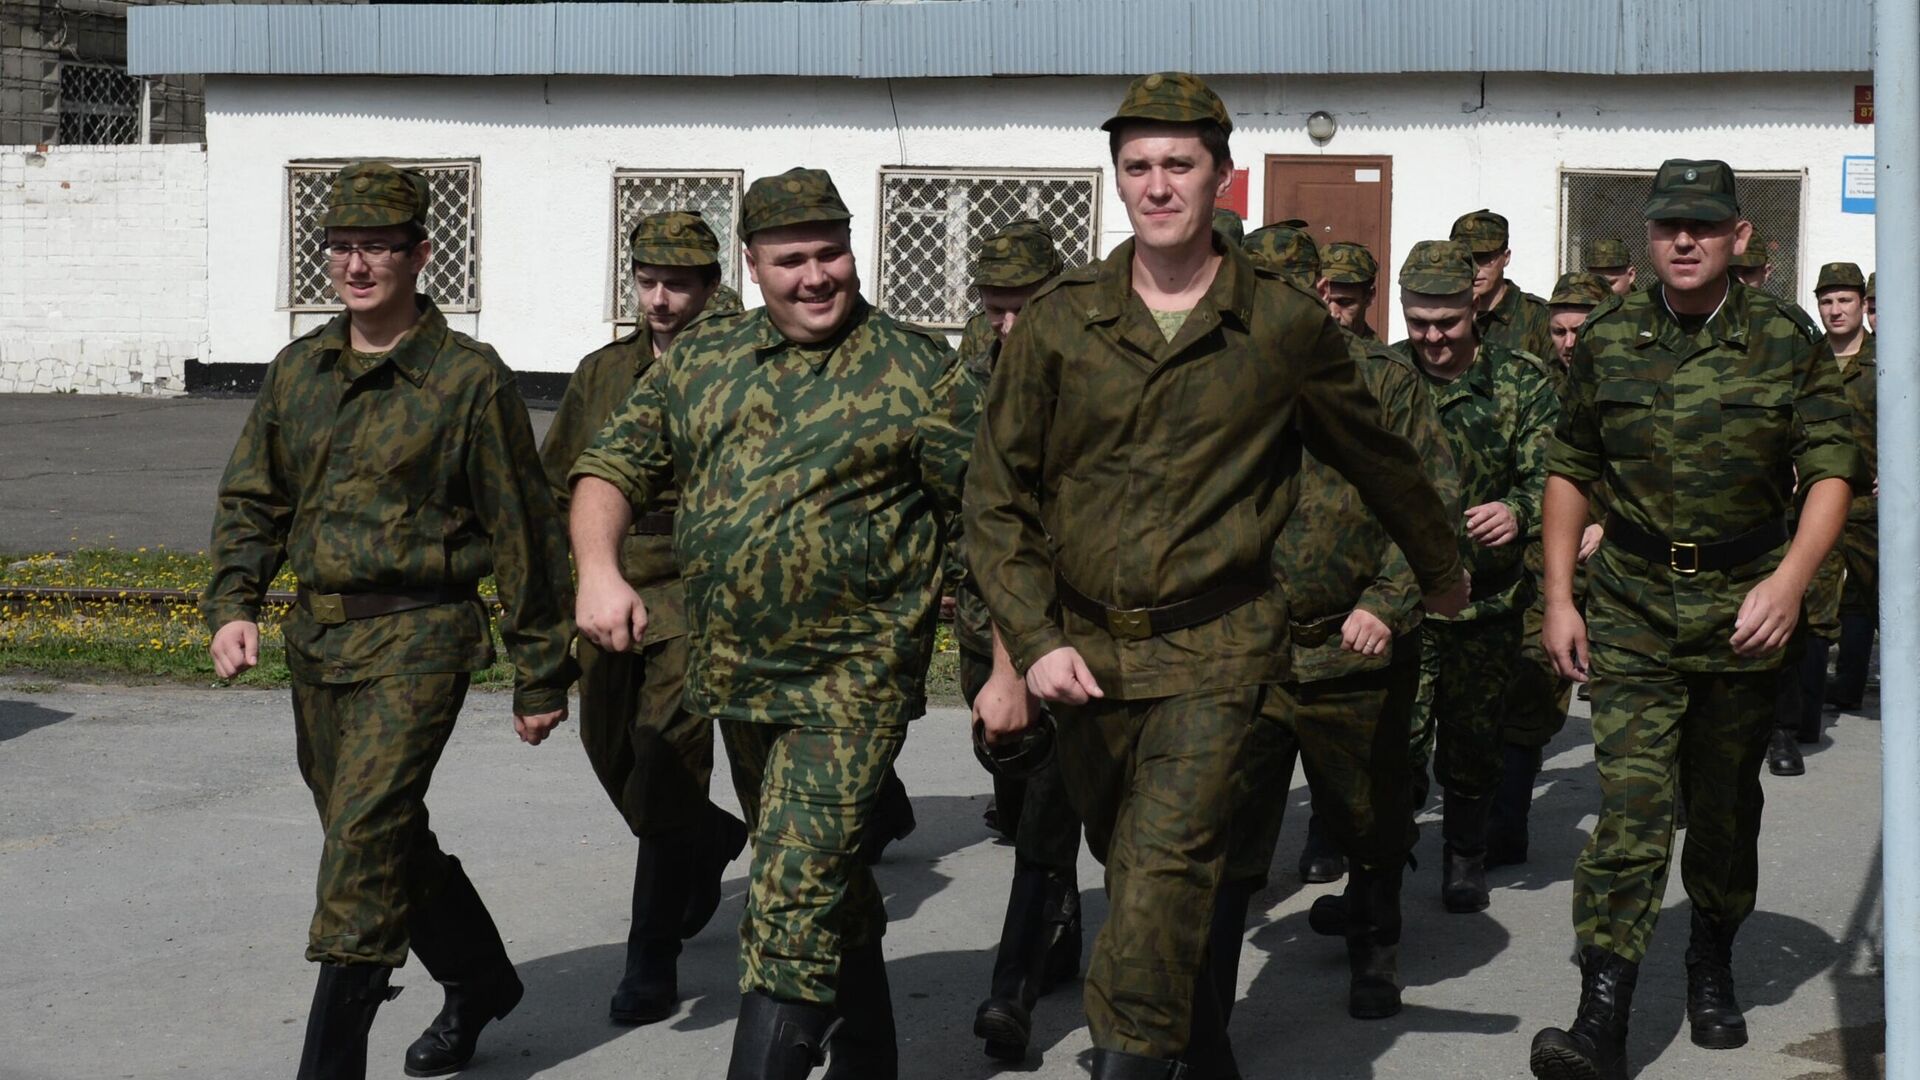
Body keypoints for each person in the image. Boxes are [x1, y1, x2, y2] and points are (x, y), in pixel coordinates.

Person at [964, 71, 1467, 1078]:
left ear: (1222, 178)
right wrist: (1032, 638)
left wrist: (1438, 571)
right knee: (1149, 877)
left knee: (1155, 882)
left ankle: (1128, 1060)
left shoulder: (1278, 324)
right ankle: (1203, 1053)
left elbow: (1377, 454)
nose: (1157, 186)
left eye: (1179, 165)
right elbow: (997, 499)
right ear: (1117, 179)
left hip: (1220, 654)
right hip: (1088, 661)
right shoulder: (1061, 323)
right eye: (1137, 166)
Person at [568, 167, 978, 1080]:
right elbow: (610, 466)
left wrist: (1015, 661)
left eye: (830, 253)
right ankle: (871, 1060)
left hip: (852, 685)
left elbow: (994, 518)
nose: (816, 276)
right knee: (824, 888)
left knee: (789, 904)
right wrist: (598, 569)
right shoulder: (705, 363)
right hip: (739, 681)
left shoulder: (920, 368)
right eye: (791, 260)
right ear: (753, 267)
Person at [203, 160, 576, 1080]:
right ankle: (482, 980)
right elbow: (255, 498)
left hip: (420, 637)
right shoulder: (301, 370)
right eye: (341, 246)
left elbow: (524, 531)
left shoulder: (466, 380)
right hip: (319, 642)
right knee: (374, 832)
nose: (356, 264)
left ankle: (329, 1065)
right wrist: (233, 602)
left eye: (377, 246)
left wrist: (541, 672)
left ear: (419, 253)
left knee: (362, 845)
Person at [1530, 160, 1863, 1080]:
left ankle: (1710, 955)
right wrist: (1560, 596)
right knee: (1632, 813)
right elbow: (1571, 467)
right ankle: (1601, 1015)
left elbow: (1834, 468)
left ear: (1739, 237)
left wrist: (1793, 581)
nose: (1685, 240)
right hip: (1633, 604)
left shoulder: (1783, 339)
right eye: (1670, 223)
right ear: (1648, 234)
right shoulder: (1608, 337)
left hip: (1743, 612)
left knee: (1720, 812)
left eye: (1705, 226)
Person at [1214, 228, 1461, 1020]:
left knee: (1370, 818)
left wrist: (1387, 602)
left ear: (1320, 294)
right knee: (1227, 829)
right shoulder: (1219, 381)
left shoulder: (1381, 382)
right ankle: (1207, 998)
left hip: (1351, 647)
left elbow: (1428, 500)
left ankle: (1375, 945)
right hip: (1245, 651)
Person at [539, 210, 749, 1025]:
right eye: (648, 281)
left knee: (665, 758)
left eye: (679, 285)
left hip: (696, 588)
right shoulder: (604, 372)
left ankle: (649, 960)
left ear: (709, 287)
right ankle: (707, 837)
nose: (660, 299)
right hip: (613, 583)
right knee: (608, 747)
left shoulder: (735, 366)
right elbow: (562, 483)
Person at [953, 219, 1087, 1065]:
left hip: (1069, 630)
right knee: (1018, 799)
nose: (1005, 327)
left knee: (1047, 812)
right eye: (993, 311)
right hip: (981, 625)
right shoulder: (971, 372)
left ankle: (1013, 991)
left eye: (1019, 308)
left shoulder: (1091, 364)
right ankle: (1059, 930)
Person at [1393, 240, 1560, 913]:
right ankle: (1380, 870)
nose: (1432, 339)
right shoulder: (1382, 378)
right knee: (1394, 748)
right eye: (1418, 323)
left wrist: (1517, 511)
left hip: (1486, 606)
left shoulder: (1520, 382)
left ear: (1472, 312)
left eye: (1447, 324)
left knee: (1472, 743)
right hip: (1399, 605)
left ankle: (1465, 856)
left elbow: (1550, 475)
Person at [1488, 270, 1612, 867]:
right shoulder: (1535, 387)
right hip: (1548, 561)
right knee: (1534, 684)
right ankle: (1508, 824)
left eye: (1579, 329)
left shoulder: (1632, 385)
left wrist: (1607, 522)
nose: (1568, 341)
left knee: (1626, 695)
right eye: (1559, 330)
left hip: (1620, 562)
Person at [1813, 263, 1879, 713]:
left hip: (1870, 506)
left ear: (1861, 304)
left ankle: (1851, 686)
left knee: (1865, 597)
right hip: (1818, 499)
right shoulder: (1807, 358)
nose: (1835, 310)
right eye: (1827, 301)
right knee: (1815, 599)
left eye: (1844, 301)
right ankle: (1808, 703)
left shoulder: (1888, 358)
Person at [1451, 208, 1554, 360]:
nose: (1475, 269)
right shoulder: (1446, 314)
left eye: (1484, 258)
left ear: (1506, 257)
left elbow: (1557, 379)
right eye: (1466, 259)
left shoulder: (1537, 317)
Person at [1321, 240, 1382, 341]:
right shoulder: (1295, 350)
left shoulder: (1381, 356)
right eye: (1323, 301)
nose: (1332, 314)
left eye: (1345, 302)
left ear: (1369, 297)